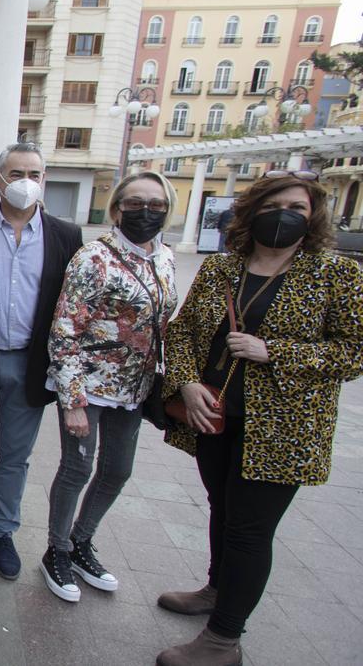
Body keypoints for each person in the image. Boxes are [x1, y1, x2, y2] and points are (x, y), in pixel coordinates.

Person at [155, 173, 363, 666]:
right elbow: (182, 332)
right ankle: (215, 589)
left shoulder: (337, 275)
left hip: (284, 428)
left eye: (298, 206)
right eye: (275, 204)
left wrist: (275, 351)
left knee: (249, 528)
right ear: (253, 212)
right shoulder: (222, 269)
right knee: (221, 510)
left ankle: (224, 639)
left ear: (313, 218)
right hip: (214, 414)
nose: (286, 214)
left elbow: (354, 352)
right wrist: (185, 383)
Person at [0, 143, 84, 580]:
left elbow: (70, 308)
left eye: (35, 173)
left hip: (30, 363)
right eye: (16, 172)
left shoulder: (66, 236)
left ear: (44, 179)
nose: (26, 181)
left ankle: (4, 531)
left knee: (15, 456)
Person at [41, 171, 179, 603]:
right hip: (89, 385)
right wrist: (73, 401)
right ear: (117, 208)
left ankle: (83, 541)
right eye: (135, 202)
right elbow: (64, 329)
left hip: (134, 390)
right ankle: (57, 550)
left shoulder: (166, 258)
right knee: (77, 468)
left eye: (156, 204)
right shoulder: (93, 258)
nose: (145, 212)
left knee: (118, 470)